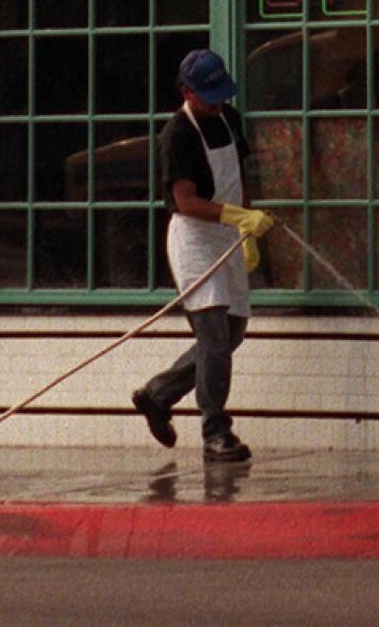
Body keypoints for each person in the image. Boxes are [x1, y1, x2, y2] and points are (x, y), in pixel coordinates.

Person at [131, 47, 272, 463]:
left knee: (232, 333)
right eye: (208, 96)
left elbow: (239, 175)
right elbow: (186, 200)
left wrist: (247, 227)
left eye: (220, 95)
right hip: (193, 236)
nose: (217, 103)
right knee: (212, 335)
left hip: (228, 233)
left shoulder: (229, 119)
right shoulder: (177, 135)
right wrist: (234, 216)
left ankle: (159, 394)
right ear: (187, 91)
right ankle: (216, 431)